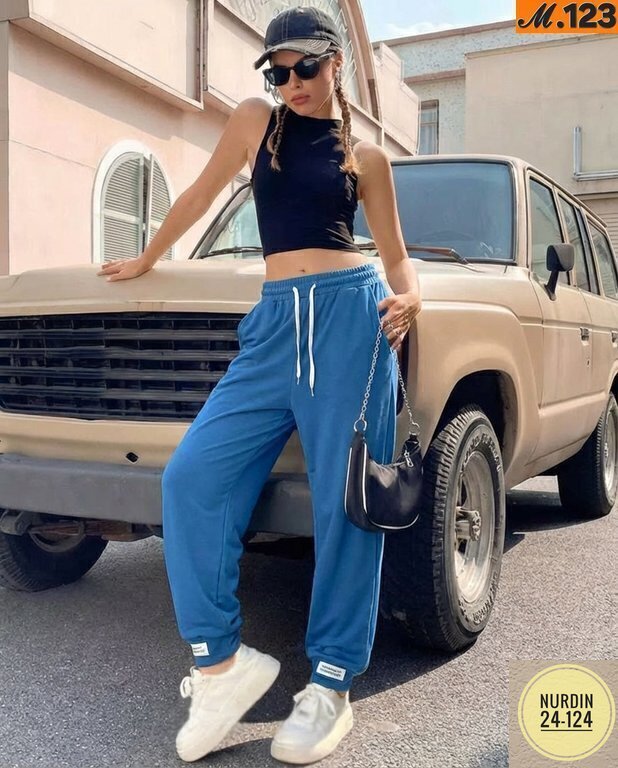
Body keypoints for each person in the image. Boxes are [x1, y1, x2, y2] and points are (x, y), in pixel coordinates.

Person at [97, 5, 421, 764]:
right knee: (191, 478)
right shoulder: (256, 122)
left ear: (336, 62)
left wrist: (411, 297)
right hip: (274, 325)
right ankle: (221, 665)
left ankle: (332, 682)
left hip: (352, 323)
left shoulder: (367, 158)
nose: (291, 82)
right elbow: (200, 193)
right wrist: (146, 256)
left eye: (305, 66)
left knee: (347, 505)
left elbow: (397, 255)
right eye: (278, 71)